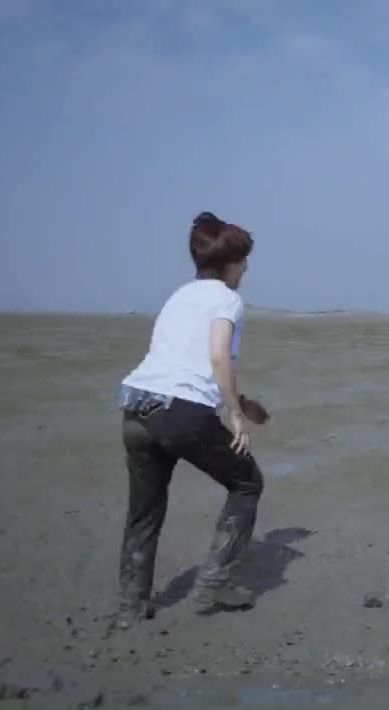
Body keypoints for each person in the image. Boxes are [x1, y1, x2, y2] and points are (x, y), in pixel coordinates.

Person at [114, 211, 271, 626]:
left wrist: (240, 400)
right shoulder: (227, 299)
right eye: (244, 262)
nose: (247, 269)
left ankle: (131, 606)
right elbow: (217, 356)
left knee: (144, 510)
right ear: (231, 264)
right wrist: (234, 415)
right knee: (247, 482)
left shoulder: (180, 296)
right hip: (180, 414)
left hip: (136, 409)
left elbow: (182, 364)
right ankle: (214, 582)